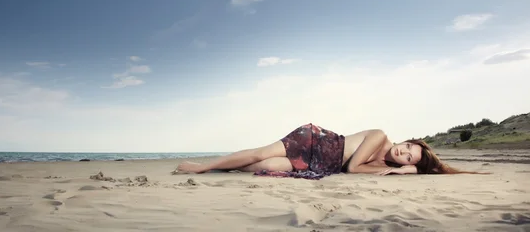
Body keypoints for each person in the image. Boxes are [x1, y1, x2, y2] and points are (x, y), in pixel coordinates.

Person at [172, 123, 487, 179]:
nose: (401, 154)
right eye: (407, 149)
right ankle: (201, 167)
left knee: (263, 167)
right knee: (258, 155)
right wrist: (392, 170)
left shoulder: (385, 163)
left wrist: (400, 170)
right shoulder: (380, 136)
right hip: (315, 141)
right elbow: (352, 169)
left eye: (407, 158)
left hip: (321, 165)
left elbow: (359, 169)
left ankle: (220, 168)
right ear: (406, 141)